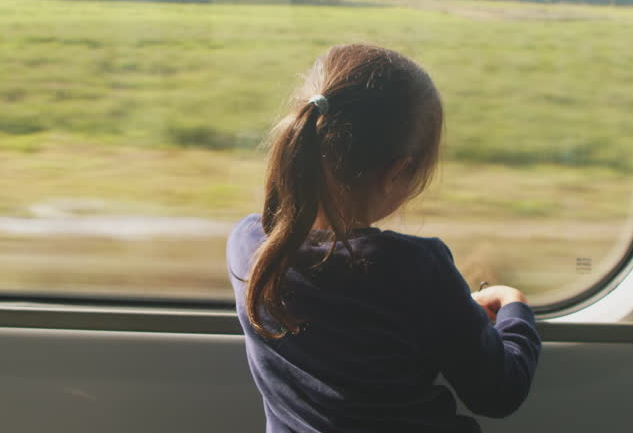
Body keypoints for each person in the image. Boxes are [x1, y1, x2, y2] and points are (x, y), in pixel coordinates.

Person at [227, 43, 541, 432]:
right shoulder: (415, 270)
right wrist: (515, 309)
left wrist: (452, 307)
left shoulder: (247, 246)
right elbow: (499, 392)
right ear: (398, 172)